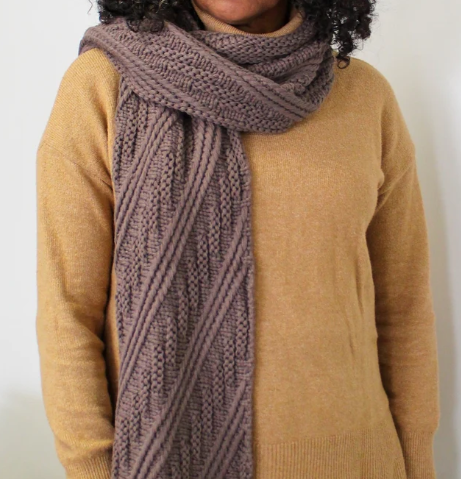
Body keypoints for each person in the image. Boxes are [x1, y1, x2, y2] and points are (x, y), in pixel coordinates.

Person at [35, 0, 440, 478]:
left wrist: (418, 464)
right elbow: (68, 314)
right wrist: (93, 469)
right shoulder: (104, 84)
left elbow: (404, 308)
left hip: (361, 460)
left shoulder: (365, 95)